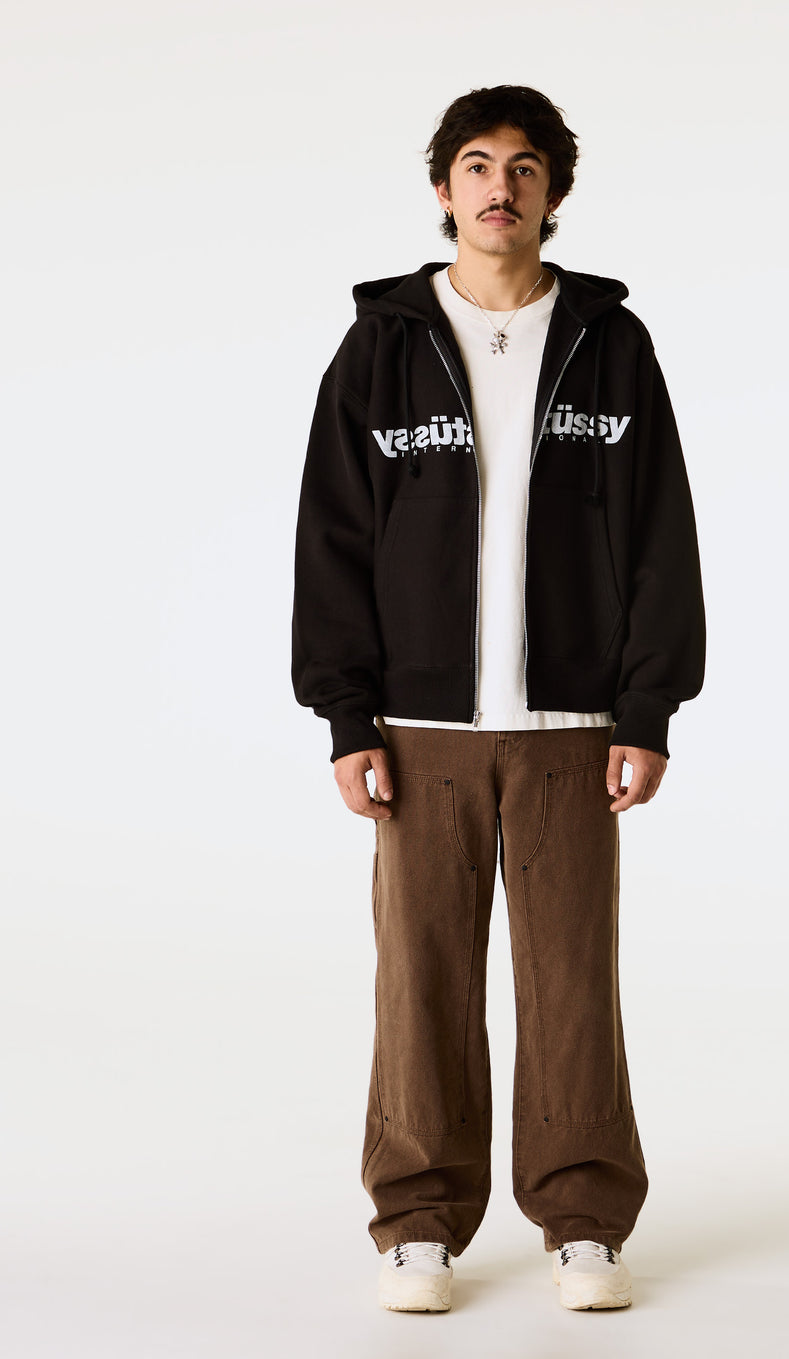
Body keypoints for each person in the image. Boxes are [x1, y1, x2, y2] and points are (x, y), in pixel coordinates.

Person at [291, 85, 705, 1312]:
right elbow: (332, 541)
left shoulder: (610, 344)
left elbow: (660, 536)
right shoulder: (382, 348)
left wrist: (646, 710)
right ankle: (417, 1222)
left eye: (525, 168)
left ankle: (584, 1219)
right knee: (420, 979)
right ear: (443, 189)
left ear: (553, 193)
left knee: (573, 983)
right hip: (420, 731)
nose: (499, 187)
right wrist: (346, 717)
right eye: (476, 164)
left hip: (573, 729)